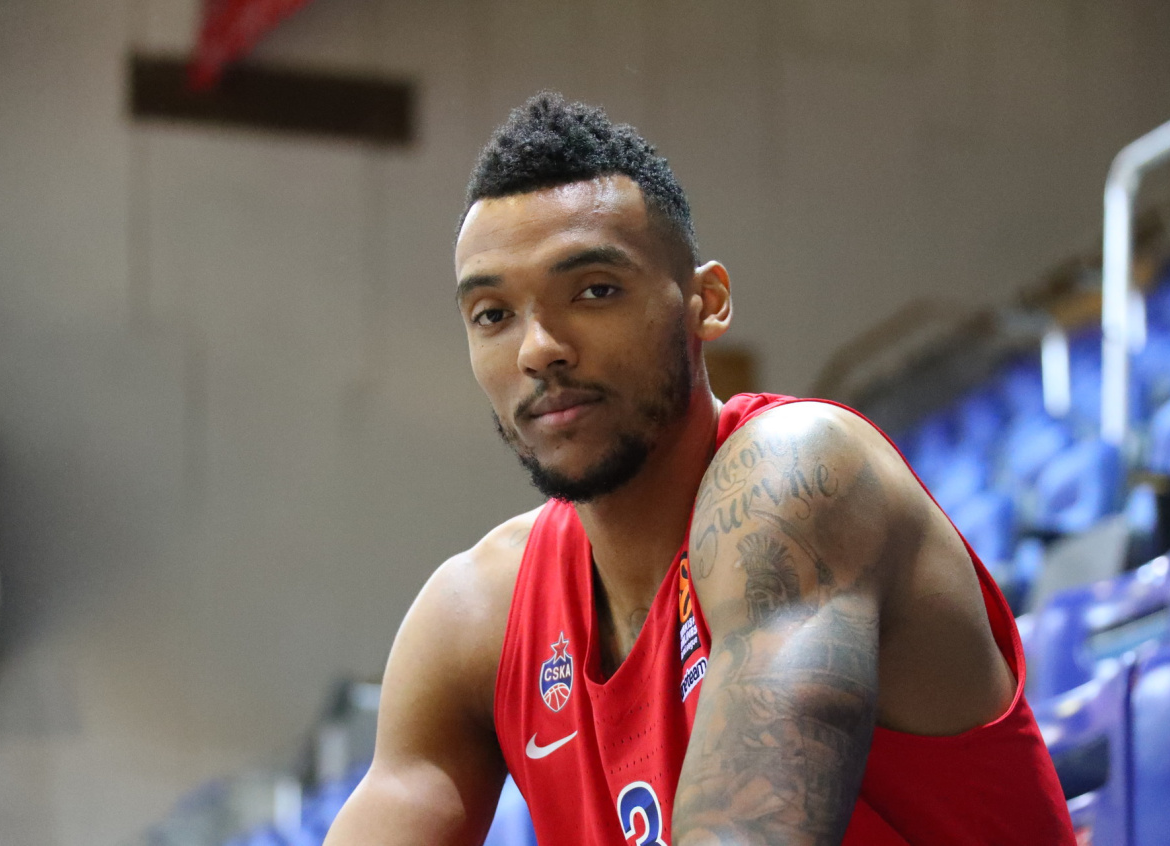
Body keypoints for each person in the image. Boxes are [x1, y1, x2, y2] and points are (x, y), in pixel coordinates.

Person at [325, 93, 1075, 846]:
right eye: (493, 314)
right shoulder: (475, 617)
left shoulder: (799, 477)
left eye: (594, 291)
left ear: (706, 303)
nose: (539, 349)